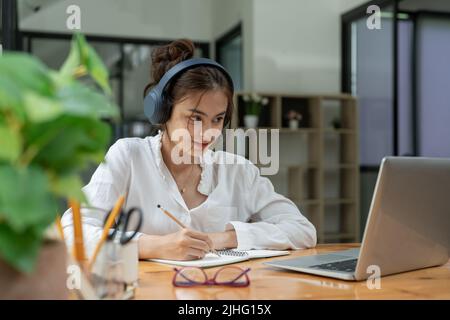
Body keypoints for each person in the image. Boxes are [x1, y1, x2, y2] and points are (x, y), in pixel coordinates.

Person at [62, 39, 316, 261]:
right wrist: (156, 246)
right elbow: (74, 231)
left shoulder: (237, 170)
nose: (207, 132)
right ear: (163, 112)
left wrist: (224, 238)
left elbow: (302, 230)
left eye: (217, 119)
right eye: (195, 118)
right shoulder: (128, 156)